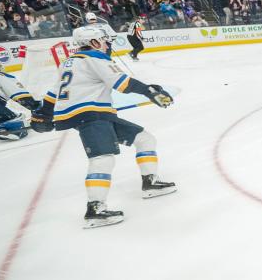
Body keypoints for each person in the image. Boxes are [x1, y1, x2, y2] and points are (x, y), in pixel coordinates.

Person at [30, 26, 177, 228]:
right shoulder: (95, 58)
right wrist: (149, 91)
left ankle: (150, 183)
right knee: (102, 159)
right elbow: (121, 82)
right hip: (91, 114)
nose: (108, 44)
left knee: (144, 139)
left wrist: (43, 114)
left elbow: (53, 93)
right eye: (104, 40)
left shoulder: (69, 62)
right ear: (94, 42)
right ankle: (95, 210)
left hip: (95, 114)